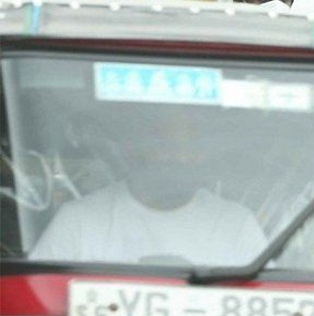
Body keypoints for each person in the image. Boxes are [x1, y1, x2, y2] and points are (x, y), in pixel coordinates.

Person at [30, 108, 266, 266]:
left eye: (191, 149)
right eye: (168, 147)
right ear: (133, 149)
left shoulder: (236, 224)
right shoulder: (79, 220)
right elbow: (39, 295)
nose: (181, 158)